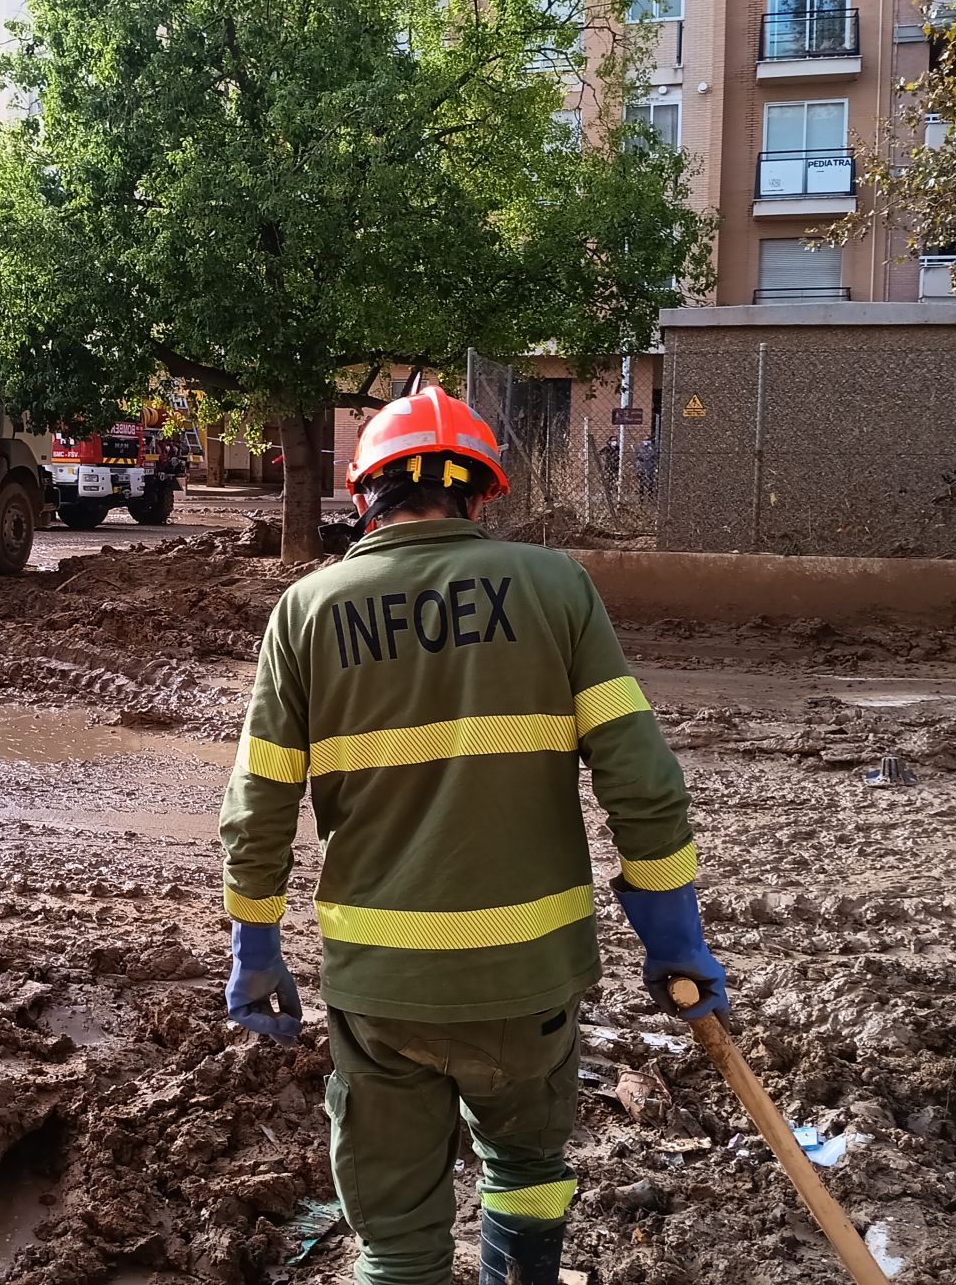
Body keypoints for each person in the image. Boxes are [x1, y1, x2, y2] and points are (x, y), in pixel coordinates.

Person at [217, 386, 726, 1285]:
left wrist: (255, 945)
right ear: (479, 494)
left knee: (398, 1244)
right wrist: (674, 940)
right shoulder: (555, 585)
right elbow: (644, 783)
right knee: (526, 1174)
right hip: (526, 983)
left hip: (384, 990)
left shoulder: (307, 611)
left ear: (363, 491)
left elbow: (259, 805)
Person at [634, 436, 658, 501]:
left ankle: (650, 497)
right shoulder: (640, 448)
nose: (646, 441)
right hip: (641, 468)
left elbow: (655, 458)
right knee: (641, 483)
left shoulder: (653, 448)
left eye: (648, 440)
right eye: (645, 440)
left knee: (650, 483)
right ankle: (641, 497)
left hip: (650, 468)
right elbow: (637, 458)